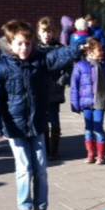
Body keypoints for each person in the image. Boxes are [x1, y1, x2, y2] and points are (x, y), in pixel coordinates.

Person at [0, 20, 79, 210]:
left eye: (28, 44)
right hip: (15, 128)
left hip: (37, 125)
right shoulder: (1, 68)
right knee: (24, 169)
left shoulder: (39, 60)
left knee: (41, 169)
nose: (24, 48)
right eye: (19, 44)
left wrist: (76, 48)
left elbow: (57, 57)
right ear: (10, 43)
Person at [69, 39, 105, 164]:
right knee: (88, 129)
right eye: (99, 50)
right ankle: (90, 154)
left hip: (100, 102)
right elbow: (74, 86)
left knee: (98, 128)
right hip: (86, 103)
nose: (102, 52)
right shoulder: (80, 66)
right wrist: (74, 103)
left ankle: (101, 155)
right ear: (90, 52)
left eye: (102, 50)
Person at [37, 17, 69, 159]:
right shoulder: (35, 49)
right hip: (40, 92)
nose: (47, 34)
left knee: (54, 122)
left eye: (49, 31)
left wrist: (62, 80)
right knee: (43, 123)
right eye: (44, 31)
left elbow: (68, 66)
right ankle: (45, 149)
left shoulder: (60, 48)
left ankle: (54, 150)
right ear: (39, 32)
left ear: (54, 33)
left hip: (54, 91)